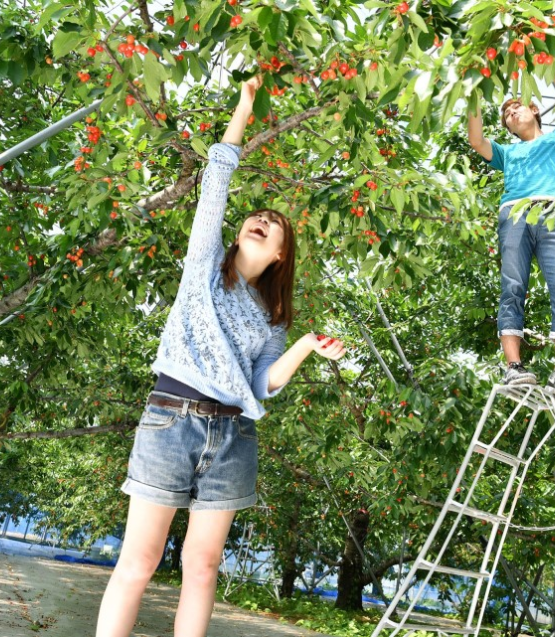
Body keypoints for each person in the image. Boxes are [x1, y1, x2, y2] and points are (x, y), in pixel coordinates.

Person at [95, 76, 346, 637]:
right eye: (257, 218)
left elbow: (262, 385)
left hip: (234, 436)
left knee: (202, 566)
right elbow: (216, 180)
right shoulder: (204, 269)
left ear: (280, 253)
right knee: (139, 560)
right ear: (238, 232)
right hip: (171, 421)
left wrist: (306, 345)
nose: (263, 220)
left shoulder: (274, 317)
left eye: (274, 226)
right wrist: (244, 108)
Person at [467, 77, 555, 402]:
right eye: (507, 116)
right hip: (515, 213)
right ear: (509, 129)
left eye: (517, 108)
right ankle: (514, 366)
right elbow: (476, 140)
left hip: (554, 211)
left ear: (535, 109)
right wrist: (474, 91)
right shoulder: (508, 153)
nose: (512, 114)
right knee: (513, 286)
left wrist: (545, 52)